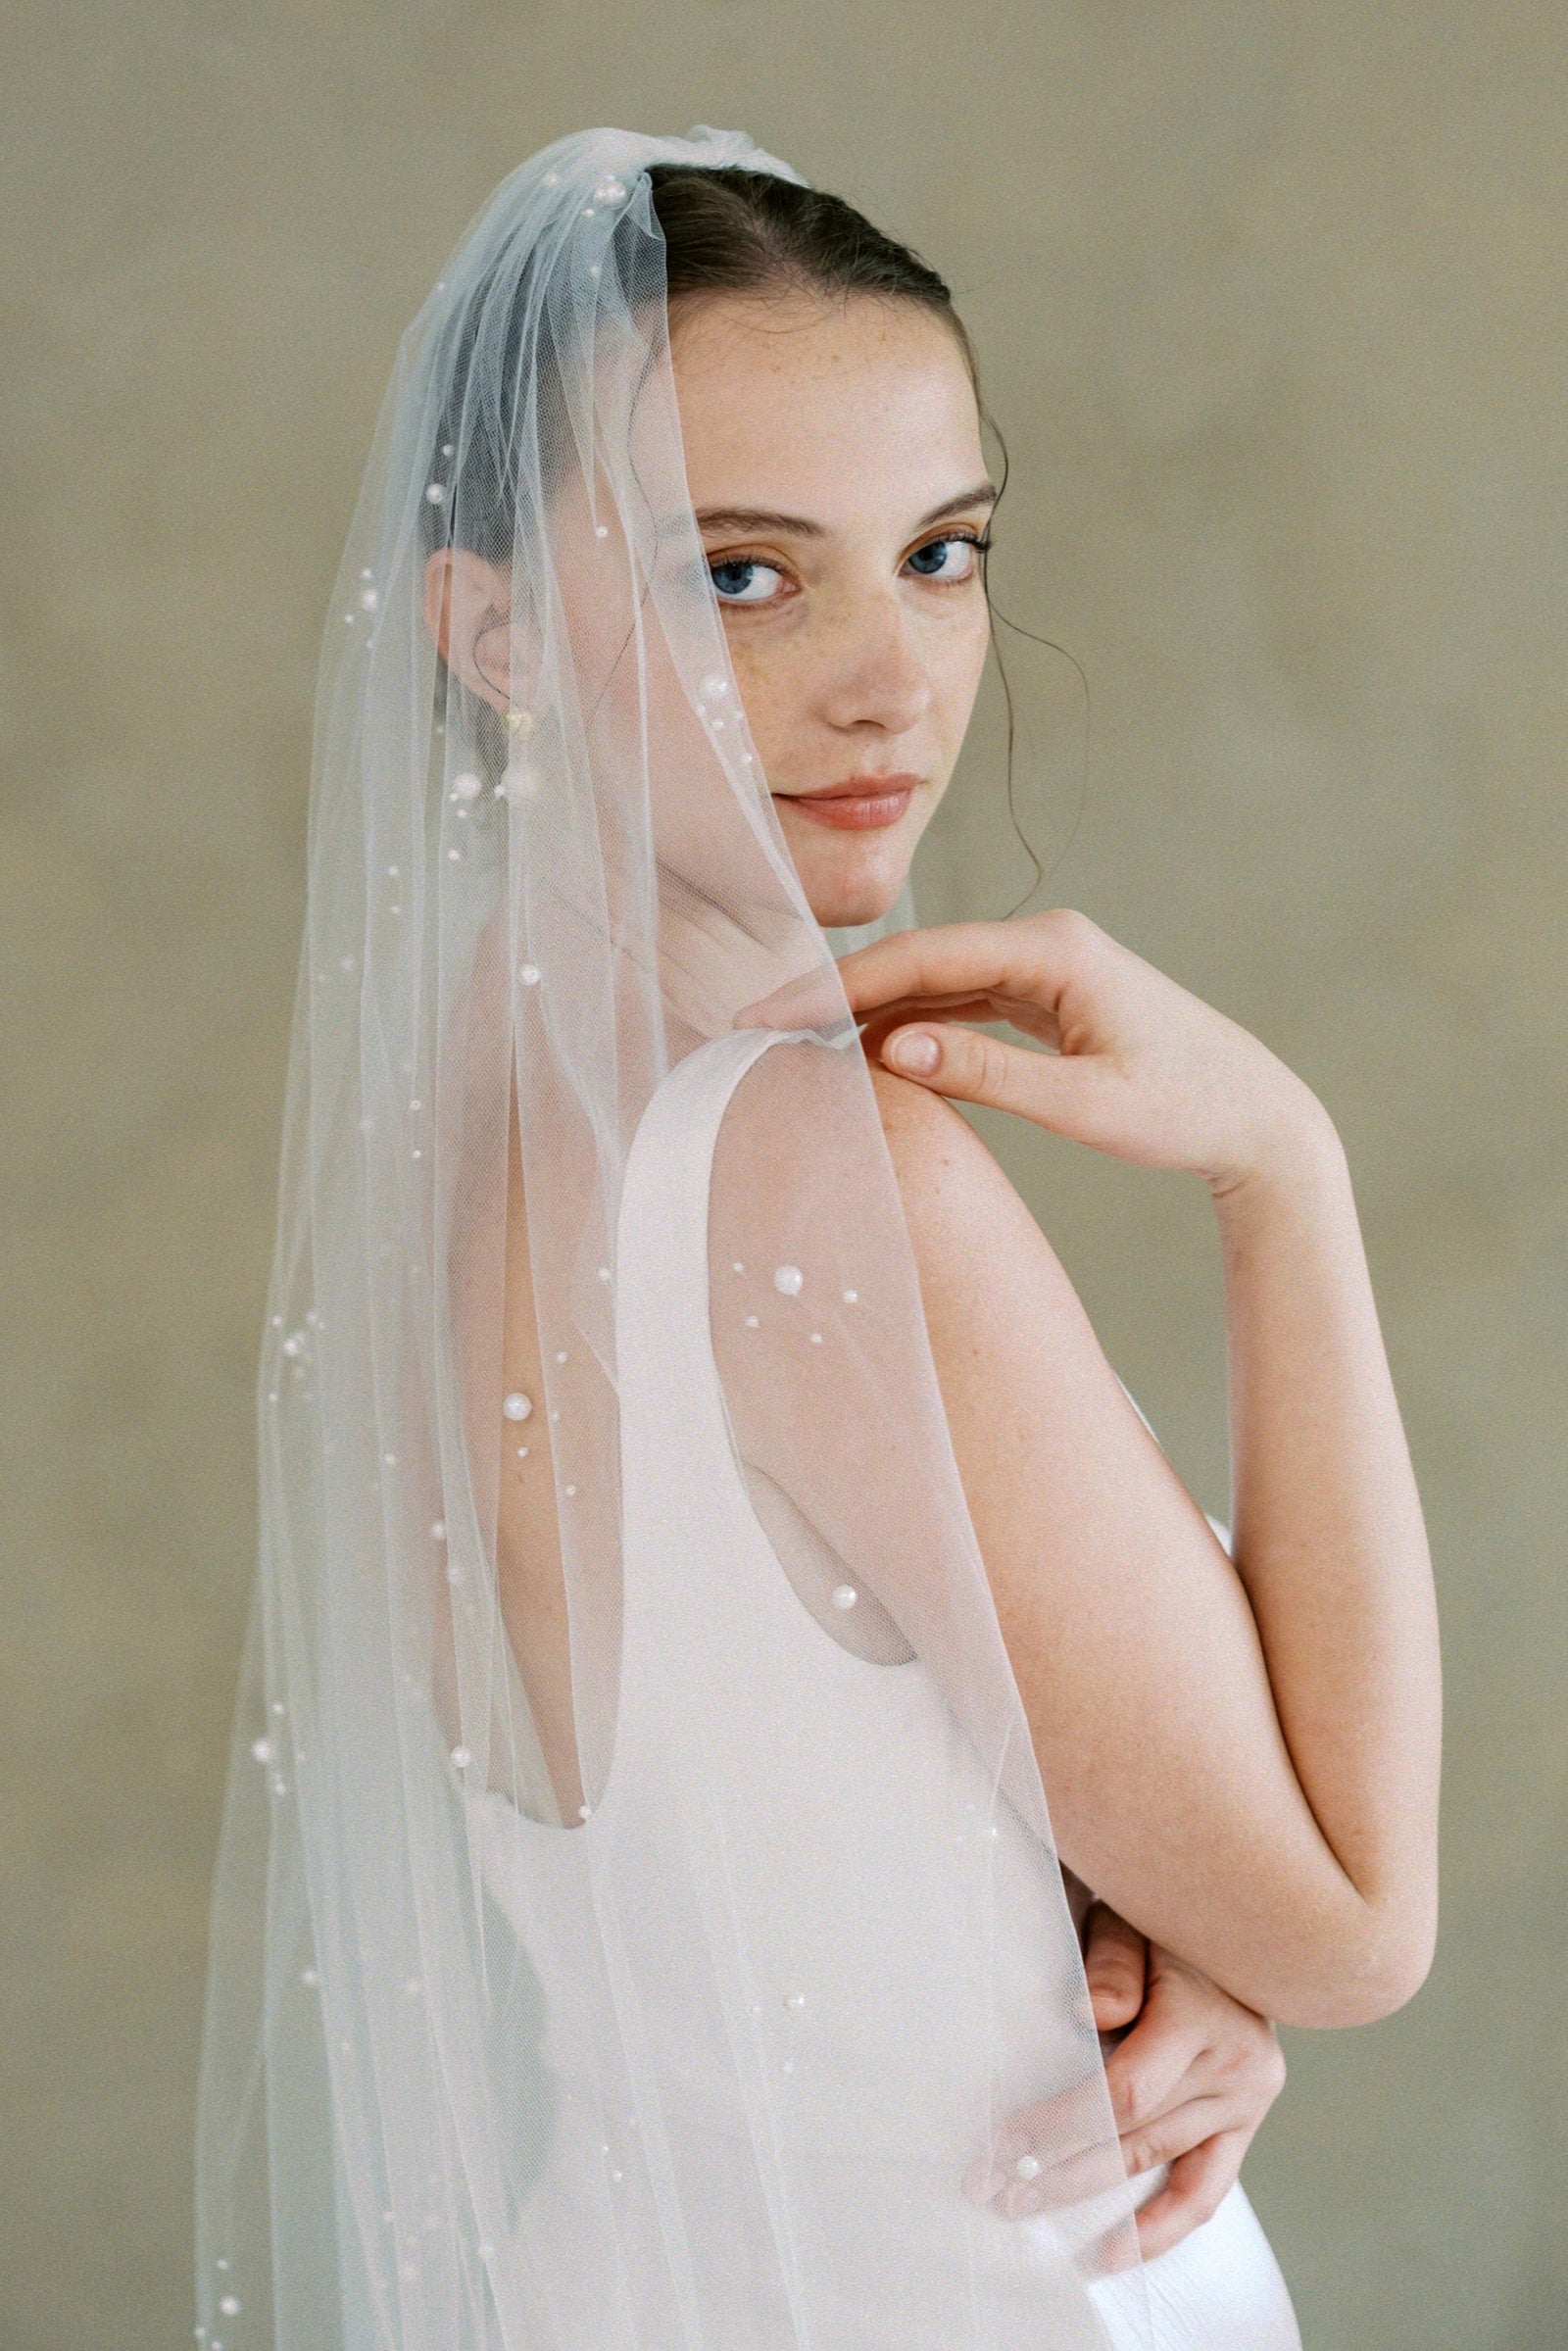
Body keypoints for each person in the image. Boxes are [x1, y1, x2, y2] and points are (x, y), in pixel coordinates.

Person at [197, 125, 1438, 2351]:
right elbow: (1356, 1919)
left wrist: (1116, 1939)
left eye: (942, 553)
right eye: (741, 578)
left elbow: (760, 1798)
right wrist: (1282, 1164)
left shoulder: (440, 1105)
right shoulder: (813, 1178)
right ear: (484, 635)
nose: (889, 680)